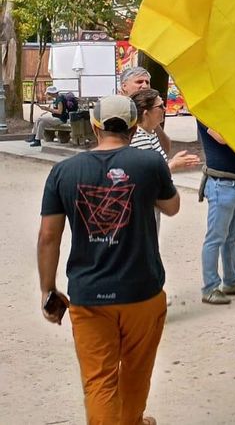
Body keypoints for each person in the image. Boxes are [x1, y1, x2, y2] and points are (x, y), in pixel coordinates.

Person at [37, 95, 181, 425]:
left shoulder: (63, 171)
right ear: (134, 126)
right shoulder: (149, 164)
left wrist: (48, 290)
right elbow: (172, 207)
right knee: (136, 374)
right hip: (142, 291)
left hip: (89, 294)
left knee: (99, 382)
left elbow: (48, 236)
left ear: (95, 125)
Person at [197, 119, 235, 304]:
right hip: (222, 183)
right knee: (215, 238)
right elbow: (223, 138)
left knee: (233, 236)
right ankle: (210, 287)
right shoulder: (205, 111)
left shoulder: (233, 111)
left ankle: (232, 280)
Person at [129, 88, 200, 174]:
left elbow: (155, 166)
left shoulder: (149, 132)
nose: (165, 109)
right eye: (160, 106)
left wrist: (172, 161)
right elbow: (149, 177)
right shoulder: (140, 138)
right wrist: (173, 165)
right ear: (146, 113)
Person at [119, 66, 170, 153]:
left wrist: (151, 118)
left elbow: (165, 149)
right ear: (124, 86)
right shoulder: (116, 109)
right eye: (139, 82)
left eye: (147, 82)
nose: (145, 86)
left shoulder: (149, 111)